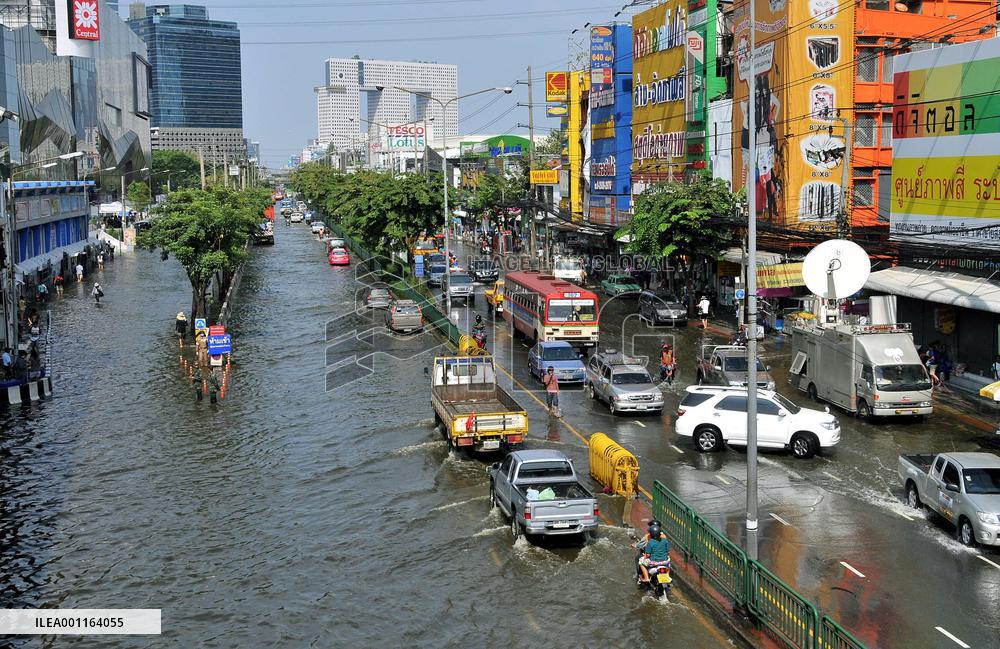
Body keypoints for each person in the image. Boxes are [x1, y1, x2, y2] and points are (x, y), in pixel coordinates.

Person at [634, 520, 671, 584]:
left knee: (640, 562)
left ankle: (646, 578)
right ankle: (667, 576)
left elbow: (647, 554)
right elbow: (668, 551)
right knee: (669, 564)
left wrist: (645, 556)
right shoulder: (665, 539)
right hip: (664, 562)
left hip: (654, 562)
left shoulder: (650, 541)